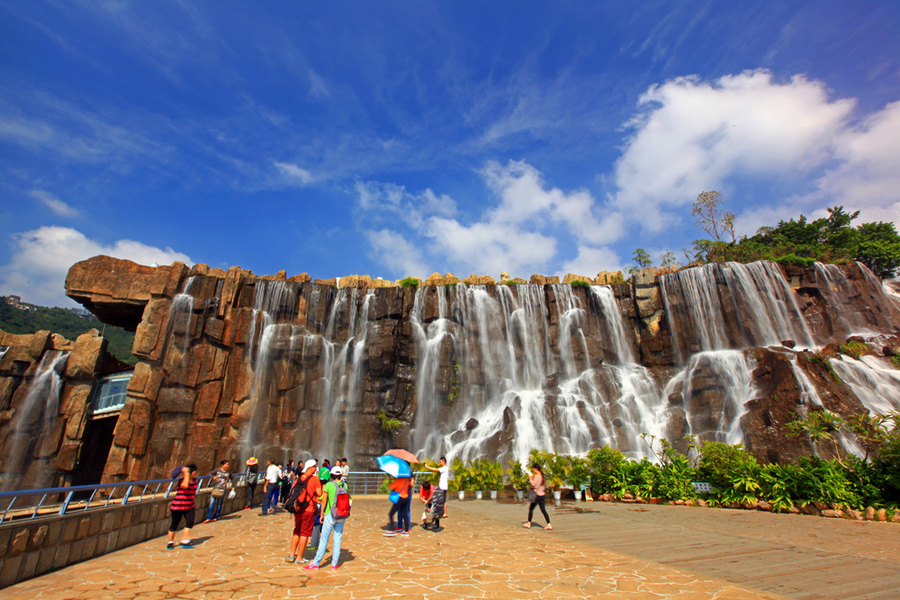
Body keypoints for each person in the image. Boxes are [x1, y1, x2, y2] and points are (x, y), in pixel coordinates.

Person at [303, 466, 348, 570]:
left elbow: (324, 500)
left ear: (331, 475)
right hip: (341, 515)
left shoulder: (328, 485)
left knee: (324, 540)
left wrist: (321, 514)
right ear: (340, 475)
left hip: (330, 514)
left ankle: (316, 563)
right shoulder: (345, 485)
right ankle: (334, 564)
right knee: (337, 539)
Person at [287, 460, 322, 563]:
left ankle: (292, 555)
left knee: (297, 530)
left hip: (297, 508)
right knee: (305, 533)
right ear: (310, 468)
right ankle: (299, 558)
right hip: (308, 509)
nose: (316, 469)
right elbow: (319, 494)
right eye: (315, 467)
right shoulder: (314, 479)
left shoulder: (298, 478)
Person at [167, 464, 198, 549]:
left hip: (189, 506)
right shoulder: (182, 481)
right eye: (194, 471)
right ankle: (170, 542)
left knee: (190, 522)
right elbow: (185, 486)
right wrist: (186, 473)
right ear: (190, 472)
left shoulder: (194, 480)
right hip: (178, 506)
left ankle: (185, 541)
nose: (195, 473)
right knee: (174, 524)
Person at [523, 463, 552, 530]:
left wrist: (530, 478)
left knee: (531, 509)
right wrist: (533, 477)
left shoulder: (537, 476)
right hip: (542, 495)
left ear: (536, 469)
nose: (533, 470)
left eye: (533, 469)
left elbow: (534, 485)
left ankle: (529, 523)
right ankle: (549, 524)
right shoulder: (542, 476)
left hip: (537, 496)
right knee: (543, 510)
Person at [424, 456, 449, 528]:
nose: (440, 463)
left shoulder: (444, 468)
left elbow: (436, 470)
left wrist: (427, 467)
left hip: (442, 487)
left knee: (440, 501)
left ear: (444, 462)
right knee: (443, 500)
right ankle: (444, 513)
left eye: (440, 461)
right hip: (443, 487)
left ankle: (442, 513)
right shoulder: (445, 468)